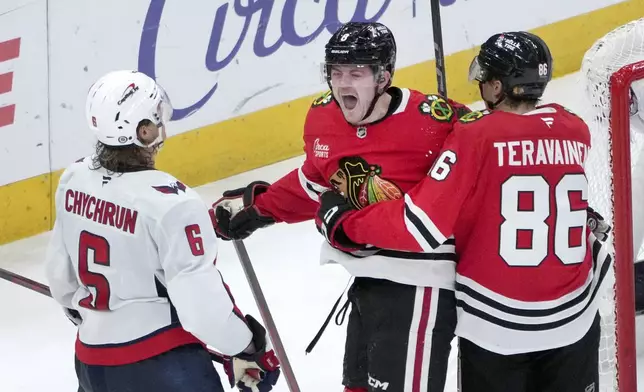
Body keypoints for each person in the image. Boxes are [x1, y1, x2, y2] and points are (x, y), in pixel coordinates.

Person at [315, 31, 613, 392]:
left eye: (485, 79)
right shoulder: (573, 127)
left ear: (498, 86)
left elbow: (419, 226)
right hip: (575, 320)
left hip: (498, 326)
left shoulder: (475, 135)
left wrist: (346, 225)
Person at [211, 21, 470, 392]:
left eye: (356, 73)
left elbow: (492, 156)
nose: (342, 84)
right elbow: (315, 183)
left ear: (383, 77)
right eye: (336, 72)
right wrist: (260, 208)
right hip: (368, 281)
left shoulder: (433, 121)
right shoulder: (323, 118)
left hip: (420, 285)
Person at [44, 70, 280, 392]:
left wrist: (95, 321)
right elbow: (201, 311)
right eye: (155, 121)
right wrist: (247, 346)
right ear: (142, 131)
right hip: (163, 367)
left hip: (91, 365)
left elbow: (61, 276)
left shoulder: (74, 178)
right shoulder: (172, 203)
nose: (161, 128)